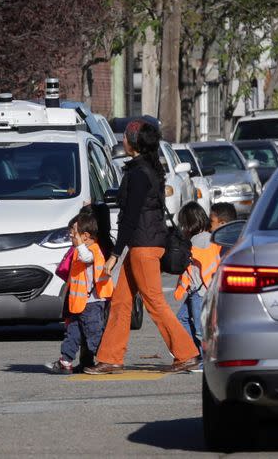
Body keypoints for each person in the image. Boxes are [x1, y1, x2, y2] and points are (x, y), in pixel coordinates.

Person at [85, 119, 200, 375]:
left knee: (155, 302)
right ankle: (110, 358)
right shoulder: (148, 168)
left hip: (144, 246)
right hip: (143, 243)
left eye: (125, 137)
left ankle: (187, 353)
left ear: (134, 142)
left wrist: (115, 254)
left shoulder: (138, 174)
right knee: (121, 301)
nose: (122, 141)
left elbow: (131, 216)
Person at [46, 211, 113, 374]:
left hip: (92, 304)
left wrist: (79, 244)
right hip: (78, 304)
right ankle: (66, 360)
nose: (71, 236)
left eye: (73, 233)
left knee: (94, 333)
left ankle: (106, 360)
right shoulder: (79, 250)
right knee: (73, 333)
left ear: (85, 236)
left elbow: (87, 258)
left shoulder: (92, 250)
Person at [174, 202, 222, 356]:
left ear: (189, 224)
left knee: (199, 329)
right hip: (205, 290)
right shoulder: (211, 237)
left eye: (183, 224)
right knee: (183, 319)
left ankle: (201, 358)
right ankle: (196, 354)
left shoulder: (195, 242)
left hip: (199, 292)